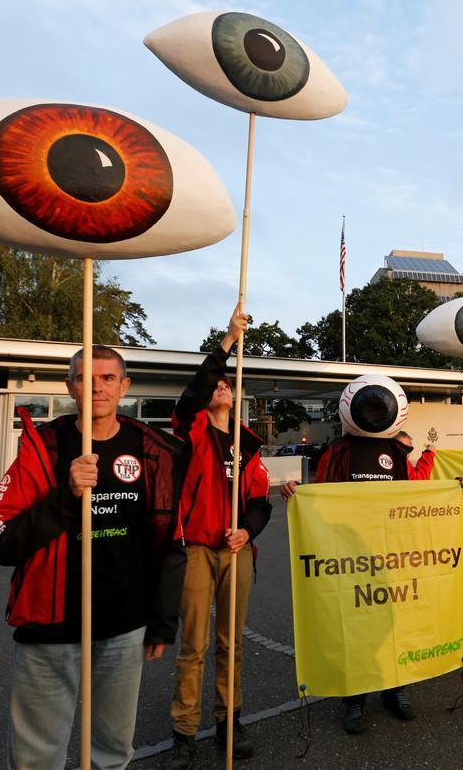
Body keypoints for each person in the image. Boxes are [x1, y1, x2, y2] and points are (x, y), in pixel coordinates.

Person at [0, 345, 184, 770]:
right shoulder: (44, 447)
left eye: (108, 378)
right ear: (69, 386)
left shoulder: (153, 450)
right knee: (35, 758)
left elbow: (169, 543)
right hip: (50, 628)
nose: (96, 387)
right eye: (84, 378)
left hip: (124, 628)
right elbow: (3, 541)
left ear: (125, 386)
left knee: (113, 752)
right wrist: (65, 497)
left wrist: (163, 623)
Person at [280, 374, 417, 735]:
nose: (374, 413)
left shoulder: (398, 454)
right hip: (349, 557)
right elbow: (321, 498)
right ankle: (354, 699)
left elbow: (415, 497)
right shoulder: (338, 452)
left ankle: (395, 689)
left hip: (390, 554)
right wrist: (299, 495)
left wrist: (454, 489)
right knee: (354, 628)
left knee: (391, 626)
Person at [168, 305, 273, 768]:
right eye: (218, 384)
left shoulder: (247, 442)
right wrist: (229, 341)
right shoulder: (189, 430)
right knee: (193, 644)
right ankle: (184, 731)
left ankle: (228, 720)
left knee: (232, 643)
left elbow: (260, 500)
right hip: (194, 549)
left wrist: (247, 529)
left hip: (236, 551)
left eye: (228, 384)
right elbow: (192, 393)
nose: (222, 387)